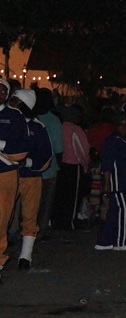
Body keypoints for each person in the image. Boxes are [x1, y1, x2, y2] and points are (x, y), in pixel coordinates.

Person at [9, 90, 52, 269]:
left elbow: (46, 156)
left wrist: (27, 163)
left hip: (30, 177)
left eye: (15, 101)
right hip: (7, 175)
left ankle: (25, 256)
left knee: (29, 215)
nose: (11, 103)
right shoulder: (7, 122)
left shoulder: (38, 127)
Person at [0, 80, 30, 278]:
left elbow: (22, 148)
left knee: (1, 219)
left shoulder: (14, 116)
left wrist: (2, 146)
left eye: (3, 91)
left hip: (5, 173)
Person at [95, 114, 126, 251]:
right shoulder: (112, 141)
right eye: (121, 124)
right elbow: (107, 164)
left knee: (114, 212)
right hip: (118, 184)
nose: (124, 127)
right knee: (123, 212)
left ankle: (104, 241)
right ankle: (121, 241)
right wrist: (107, 184)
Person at [51, 106, 90, 230]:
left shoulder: (60, 127)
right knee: (73, 196)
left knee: (60, 194)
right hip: (74, 165)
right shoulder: (75, 129)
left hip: (60, 165)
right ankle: (69, 222)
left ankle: (57, 220)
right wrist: (85, 164)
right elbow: (83, 149)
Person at [33, 88, 63, 240]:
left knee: (31, 202)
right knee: (46, 202)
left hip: (31, 168)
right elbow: (58, 147)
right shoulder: (53, 120)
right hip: (49, 168)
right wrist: (59, 164)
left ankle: (29, 229)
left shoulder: (31, 118)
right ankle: (41, 230)